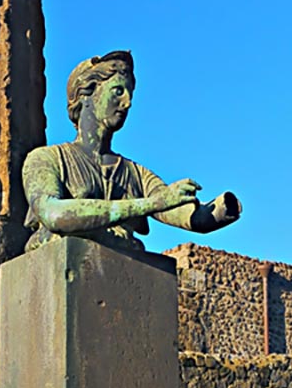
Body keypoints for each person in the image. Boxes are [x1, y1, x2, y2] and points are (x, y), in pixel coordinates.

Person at [22, 50, 241, 252]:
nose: (127, 103)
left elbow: (184, 213)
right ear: (86, 95)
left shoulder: (135, 173)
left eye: (130, 94)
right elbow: (53, 214)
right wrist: (149, 204)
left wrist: (218, 209)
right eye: (118, 91)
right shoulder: (46, 159)